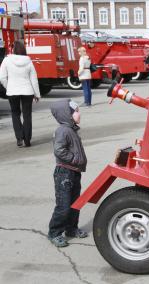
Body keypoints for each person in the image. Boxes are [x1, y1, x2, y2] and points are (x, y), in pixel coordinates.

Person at [48, 99, 88, 247]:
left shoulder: (71, 129)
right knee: (64, 206)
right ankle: (54, 232)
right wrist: (75, 159)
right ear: (67, 114)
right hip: (64, 173)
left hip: (74, 172)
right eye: (76, 111)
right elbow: (59, 150)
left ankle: (71, 228)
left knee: (75, 204)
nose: (79, 113)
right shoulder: (63, 131)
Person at [0, 40, 40, 147]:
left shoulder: (7, 60)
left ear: (13, 50)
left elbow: (2, 77)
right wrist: (37, 94)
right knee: (27, 115)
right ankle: (27, 139)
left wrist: (8, 86)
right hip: (27, 91)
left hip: (12, 91)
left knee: (15, 113)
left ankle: (19, 138)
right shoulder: (28, 61)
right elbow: (34, 79)